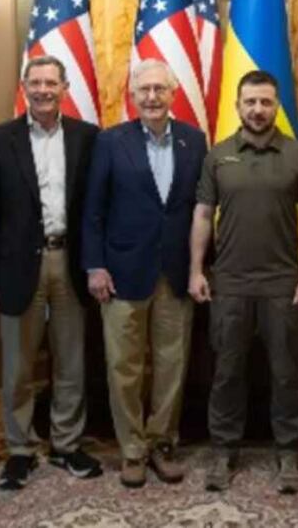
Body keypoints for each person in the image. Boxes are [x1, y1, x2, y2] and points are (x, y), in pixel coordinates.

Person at [188, 70, 298, 495]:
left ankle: (288, 452)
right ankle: (223, 450)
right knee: (227, 373)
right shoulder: (218, 156)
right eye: (250, 102)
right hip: (228, 283)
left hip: (284, 283)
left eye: (266, 102)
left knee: (286, 374)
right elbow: (202, 215)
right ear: (238, 105)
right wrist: (195, 269)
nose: (258, 110)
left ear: (277, 105)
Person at [0, 54, 102, 491]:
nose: (44, 90)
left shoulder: (88, 138)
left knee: (71, 361)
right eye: (36, 82)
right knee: (18, 365)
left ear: (65, 87)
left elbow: (95, 209)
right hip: (16, 265)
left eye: (52, 82)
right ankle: (20, 449)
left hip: (70, 261)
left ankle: (66, 443)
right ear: (24, 87)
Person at [81, 59, 207, 488]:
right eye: (144, 91)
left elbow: (199, 211)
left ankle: (162, 443)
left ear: (173, 94)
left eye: (159, 89)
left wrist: (196, 268)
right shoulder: (111, 142)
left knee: (173, 363)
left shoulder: (194, 141)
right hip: (121, 273)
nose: (152, 97)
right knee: (124, 367)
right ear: (132, 97)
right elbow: (93, 210)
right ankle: (132, 450)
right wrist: (95, 265)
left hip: (175, 273)